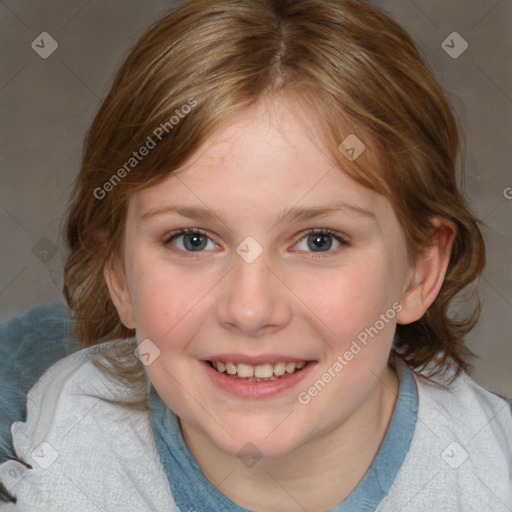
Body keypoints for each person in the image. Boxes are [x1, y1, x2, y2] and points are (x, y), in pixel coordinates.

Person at [1, 0, 511, 510]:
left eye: (319, 240)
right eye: (193, 240)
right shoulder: (58, 448)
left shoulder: (488, 477)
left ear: (419, 271)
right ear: (117, 272)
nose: (250, 310)